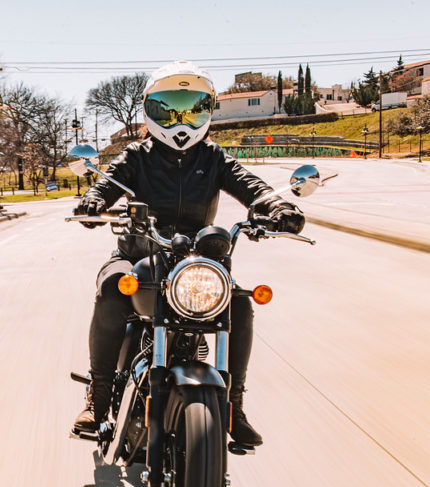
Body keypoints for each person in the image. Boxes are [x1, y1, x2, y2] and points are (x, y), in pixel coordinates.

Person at [72, 61, 305, 449]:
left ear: (207, 110)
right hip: (137, 254)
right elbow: (105, 186)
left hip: (192, 263)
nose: (181, 119)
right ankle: (97, 401)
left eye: (192, 106)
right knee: (114, 289)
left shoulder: (213, 158)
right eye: (169, 107)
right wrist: (92, 202)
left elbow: (251, 185)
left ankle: (233, 406)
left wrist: (277, 208)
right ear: (150, 110)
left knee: (241, 304)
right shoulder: (136, 156)